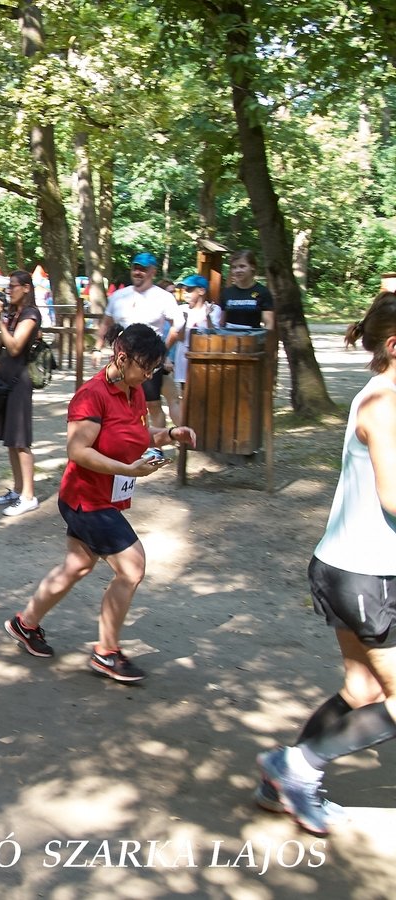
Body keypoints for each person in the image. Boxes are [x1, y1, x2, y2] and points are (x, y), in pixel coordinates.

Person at [255, 292, 396, 837]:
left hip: (349, 567)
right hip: (366, 573)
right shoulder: (383, 403)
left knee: (362, 691)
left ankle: (282, 780)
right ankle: (295, 768)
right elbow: (392, 496)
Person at [4, 324, 196, 682]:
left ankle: (24, 624)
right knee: (132, 568)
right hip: (86, 499)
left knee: (77, 565)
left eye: (154, 369)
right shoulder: (91, 396)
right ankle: (106, 653)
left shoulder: (133, 390)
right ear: (122, 358)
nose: (150, 376)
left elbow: (136, 434)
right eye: (145, 367)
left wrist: (169, 434)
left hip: (102, 497)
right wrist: (128, 469)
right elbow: (78, 450)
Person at [94, 252, 183, 429]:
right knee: (118, 400)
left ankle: (156, 443)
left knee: (152, 404)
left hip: (147, 360)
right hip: (121, 359)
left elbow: (178, 325)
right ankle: (124, 436)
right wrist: (97, 348)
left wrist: (162, 351)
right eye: (135, 268)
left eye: (143, 269)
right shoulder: (119, 296)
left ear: (153, 272)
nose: (138, 272)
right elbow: (106, 323)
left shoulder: (163, 297)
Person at [0, 270, 42, 518]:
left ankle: (29, 496)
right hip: (5, 381)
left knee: (21, 441)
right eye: (8, 287)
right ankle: (18, 490)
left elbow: (15, 346)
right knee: (10, 439)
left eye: (13, 286)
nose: (9, 291)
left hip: (20, 381)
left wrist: (0, 319)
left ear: (26, 288)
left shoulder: (31, 314)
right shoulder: (12, 314)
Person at [171, 275, 223, 394]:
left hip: (205, 358)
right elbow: (180, 337)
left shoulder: (214, 309)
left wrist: (208, 316)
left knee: (205, 392)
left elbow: (215, 336)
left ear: (201, 291)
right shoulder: (180, 309)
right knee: (185, 393)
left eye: (189, 289)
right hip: (184, 358)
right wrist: (185, 321)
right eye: (184, 289)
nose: (185, 293)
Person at [222, 250, 275, 330]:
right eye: (234, 267)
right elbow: (221, 323)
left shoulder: (262, 292)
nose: (237, 270)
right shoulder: (227, 293)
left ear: (252, 267)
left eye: (242, 266)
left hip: (253, 337)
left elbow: (269, 324)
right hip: (229, 336)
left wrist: (264, 337)